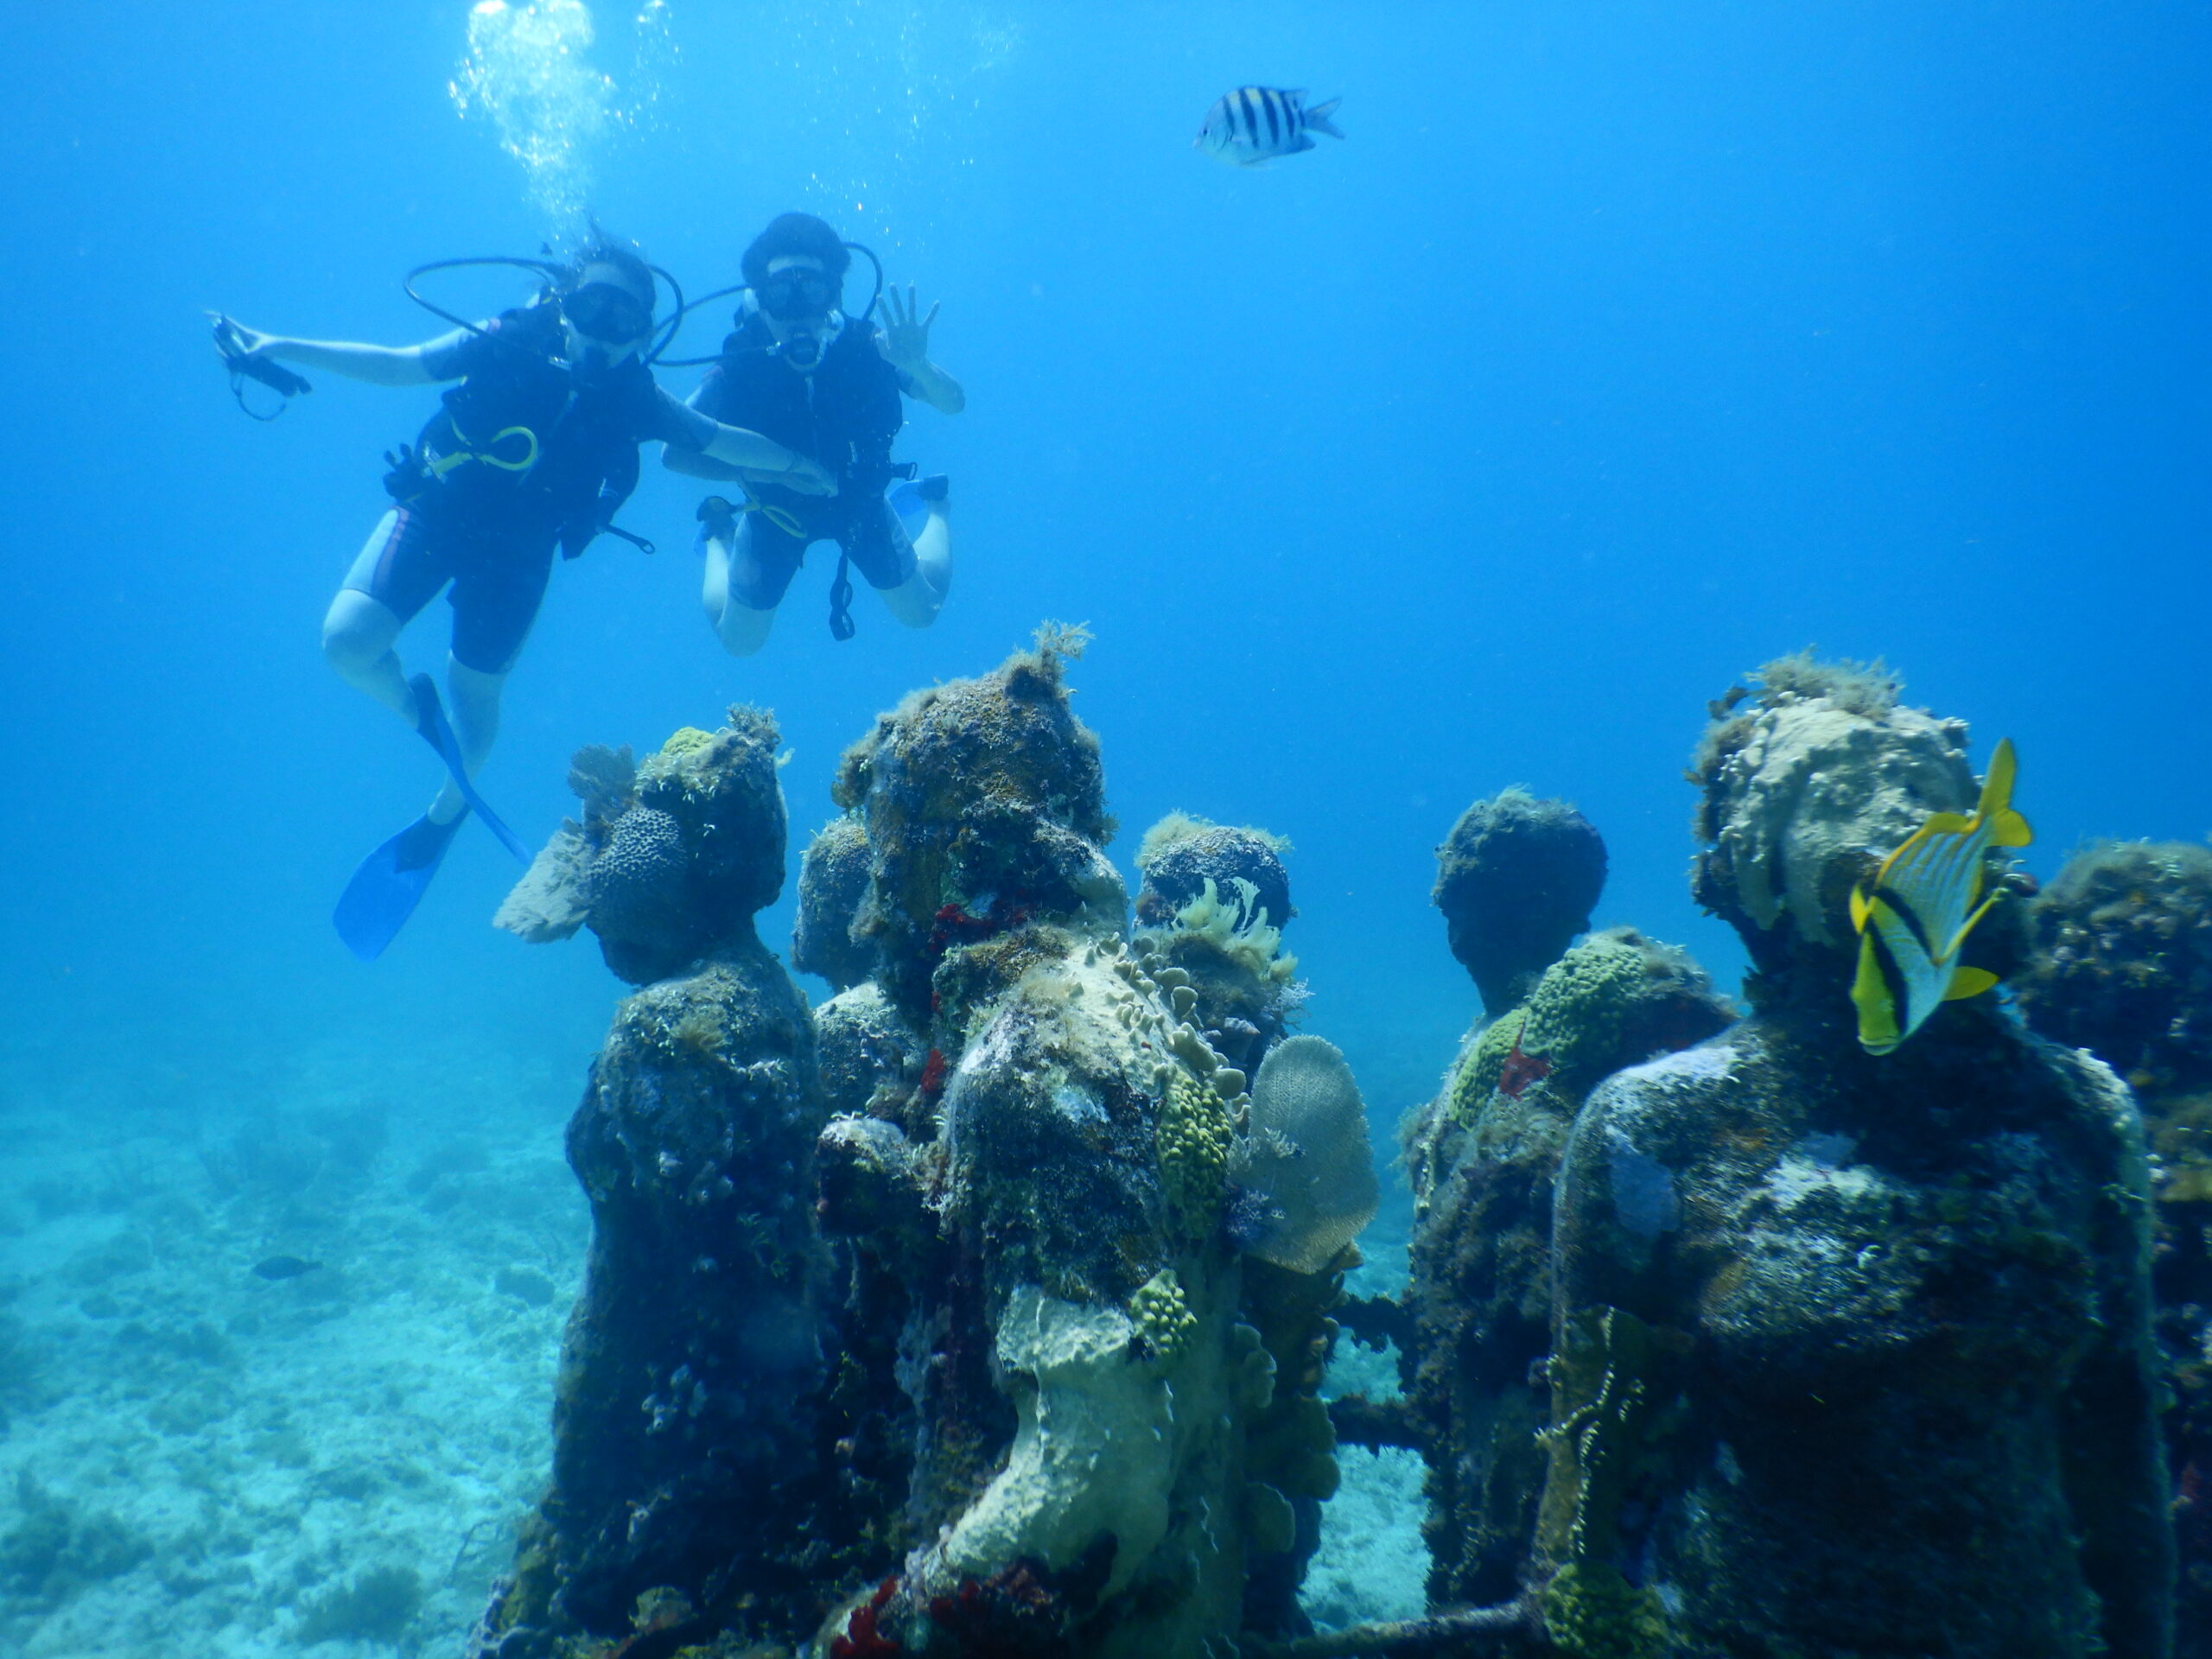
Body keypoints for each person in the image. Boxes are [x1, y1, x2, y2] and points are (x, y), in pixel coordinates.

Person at [217, 237, 836, 956]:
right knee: (346, 643)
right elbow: (396, 364)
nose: (603, 330)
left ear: (643, 334)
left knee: (475, 730)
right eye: (591, 307)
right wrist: (281, 345)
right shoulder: (506, 339)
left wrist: (794, 465)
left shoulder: (635, 395)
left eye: (624, 318)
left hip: (516, 562)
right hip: (435, 511)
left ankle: (444, 816)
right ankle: (415, 708)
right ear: (563, 306)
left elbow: (719, 437)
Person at [664, 213, 964, 654]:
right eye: (781, 292)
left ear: (833, 296)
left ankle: (935, 506)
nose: (798, 310)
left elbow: (953, 401)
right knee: (740, 642)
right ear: (760, 301)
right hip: (772, 511)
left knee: (921, 614)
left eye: (813, 289)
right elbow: (675, 453)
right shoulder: (737, 367)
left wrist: (918, 365)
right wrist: (773, 475)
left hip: (860, 502)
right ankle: (717, 535)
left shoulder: (871, 347)